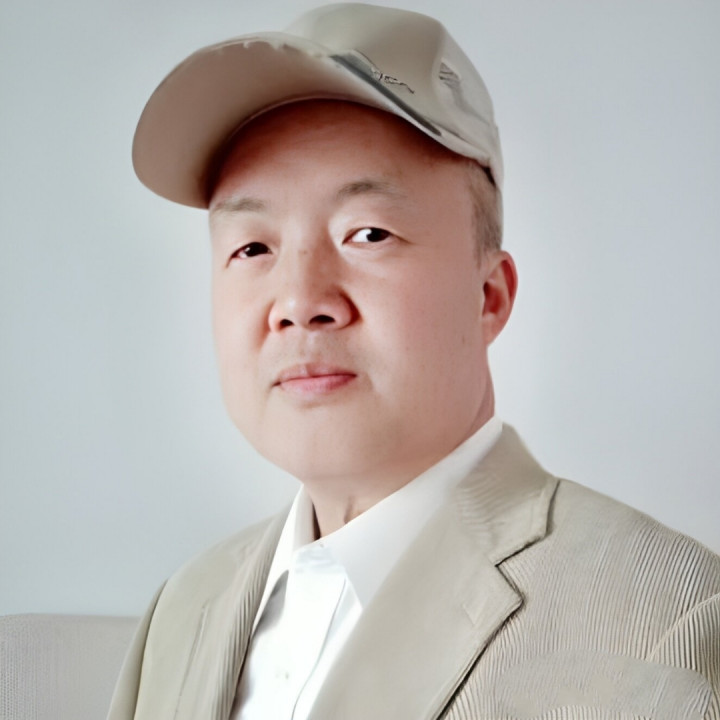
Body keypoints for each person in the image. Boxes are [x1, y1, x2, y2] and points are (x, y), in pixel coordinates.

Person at [109, 4, 720, 719]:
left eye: (368, 233)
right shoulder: (182, 612)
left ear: (488, 295)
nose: (299, 301)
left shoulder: (666, 624)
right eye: (252, 247)